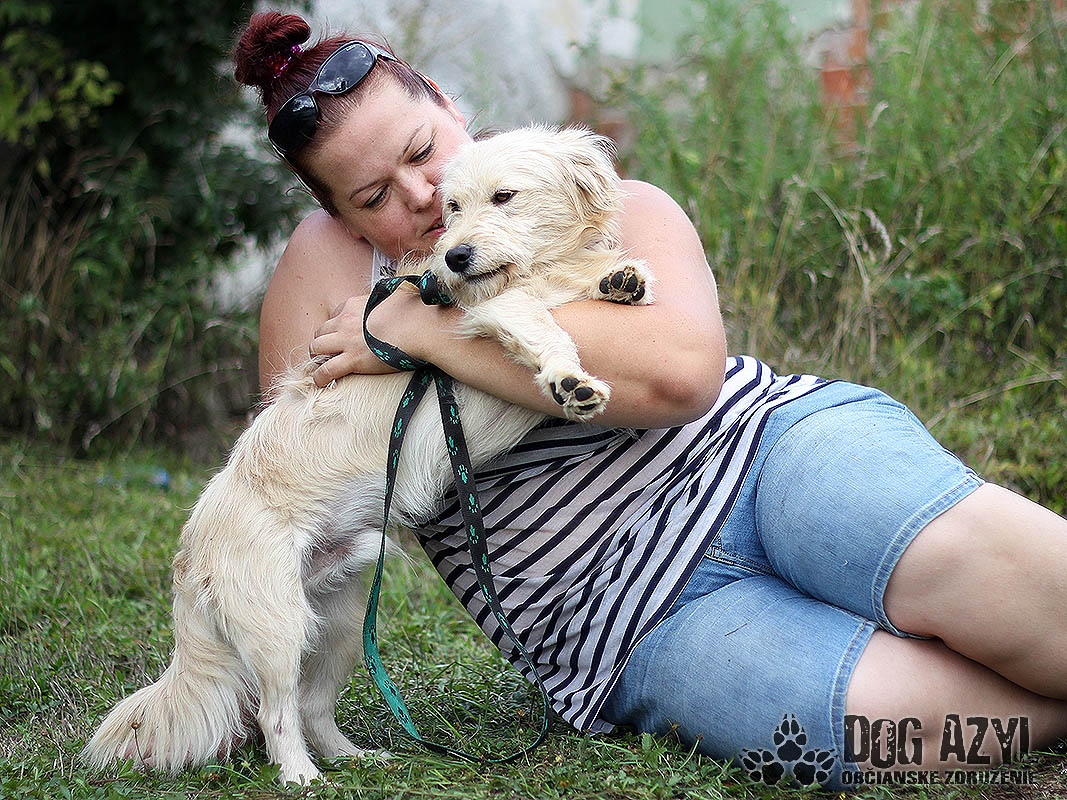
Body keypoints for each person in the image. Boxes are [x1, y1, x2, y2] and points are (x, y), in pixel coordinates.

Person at [232, 11, 1067, 789]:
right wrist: (240, 666)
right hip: (619, 615)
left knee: (999, 580)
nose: (418, 196)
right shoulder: (326, 270)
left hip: (761, 455)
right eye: (372, 197)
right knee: (882, 728)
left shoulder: (596, 196)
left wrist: (427, 331)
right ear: (335, 213)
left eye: (423, 152)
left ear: (448, 103)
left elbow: (680, 378)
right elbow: (284, 494)